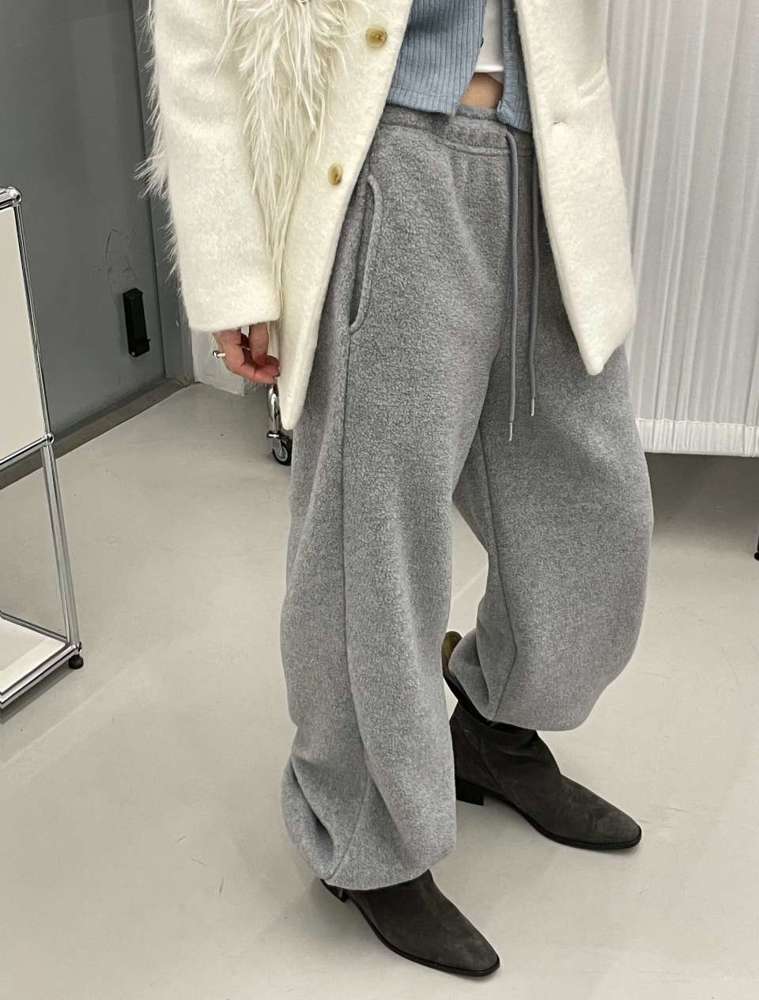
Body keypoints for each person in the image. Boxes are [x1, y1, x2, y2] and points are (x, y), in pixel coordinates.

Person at [144, 0, 654, 978]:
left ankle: (492, 730)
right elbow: (199, 29)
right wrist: (233, 269)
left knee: (598, 510)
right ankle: (366, 835)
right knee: (370, 539)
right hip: (392, 164)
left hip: (547, 165)